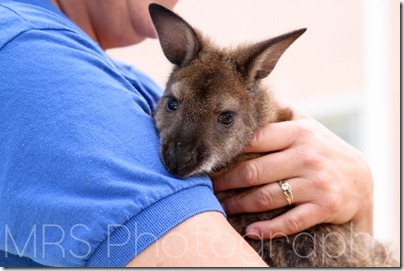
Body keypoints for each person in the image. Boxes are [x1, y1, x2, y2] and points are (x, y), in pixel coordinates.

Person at [0, 0, 373, 267]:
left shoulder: (128, 82)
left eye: (223, 119)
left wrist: (360, 198)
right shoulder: (31, 53)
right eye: (174, 107)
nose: (180, 144)